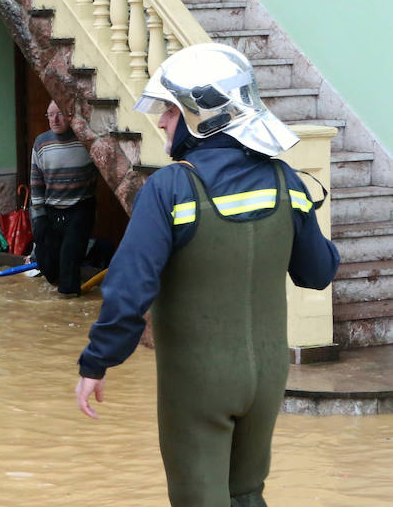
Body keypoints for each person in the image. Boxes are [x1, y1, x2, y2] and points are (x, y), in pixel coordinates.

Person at [74, 44, 340, 507]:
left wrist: (98, 362)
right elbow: (318, 273)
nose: (161, 122)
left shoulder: (171, 188)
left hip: (198, 382)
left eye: (171, 112)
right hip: (268, 377)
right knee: (247, 494)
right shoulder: (287, 182)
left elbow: (128, 288)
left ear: (204, 116)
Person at [30, 101, 99, 296]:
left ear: (69, 116)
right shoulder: (41, 143)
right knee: (47, 266)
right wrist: (39, 216)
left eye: (59, 114)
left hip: (80, 208)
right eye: (50, 115)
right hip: (51, 211)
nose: (55, 119)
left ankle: (69, 303)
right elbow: (35, 183)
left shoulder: (85, 141)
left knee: (69, 264)